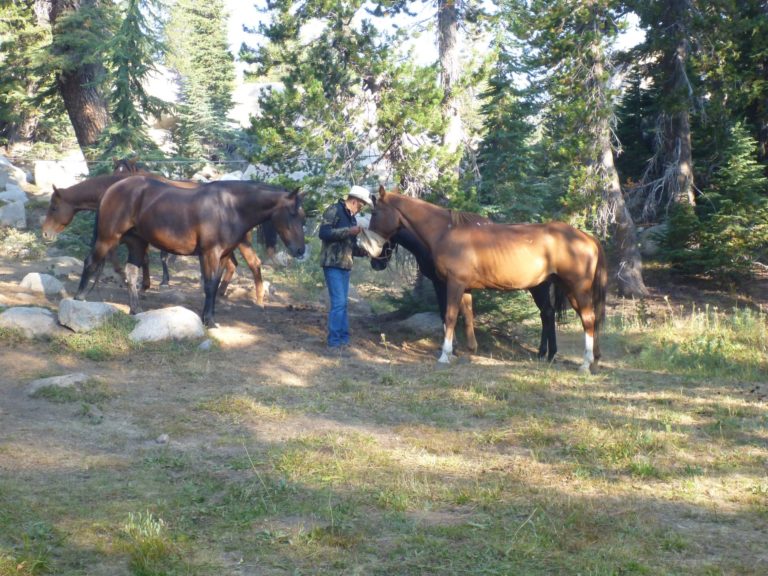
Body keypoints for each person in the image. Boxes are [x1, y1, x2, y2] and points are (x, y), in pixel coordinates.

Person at [318, 184, 374, 353]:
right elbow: (324, 233)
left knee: (342, 304)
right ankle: (334, 341)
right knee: (339, 303)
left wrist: (364, 252)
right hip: (332, 264)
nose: (362, 208)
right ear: (355, 201)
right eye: (362, 204)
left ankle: (343, 339)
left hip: (345, 264)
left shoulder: (351, 218)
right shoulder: (334, 210)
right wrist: (349, 231)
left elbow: (348, 245)